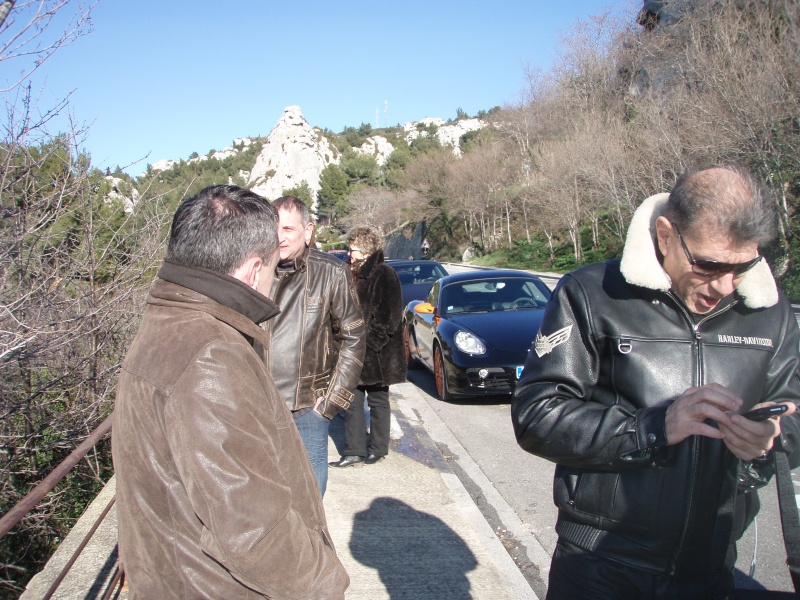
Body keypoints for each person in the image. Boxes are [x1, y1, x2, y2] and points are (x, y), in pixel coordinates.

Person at [511, 166, 800, 599]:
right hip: (599, 567)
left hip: (711, 564)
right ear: (666, 235)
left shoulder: (770, 311)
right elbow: (537, 415)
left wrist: (770, 438)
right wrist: (655, 428)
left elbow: (793, 415)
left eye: (742, 267)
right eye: (707, 265)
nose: (724, 286)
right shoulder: (590, 293)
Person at [112, 185, 348, 598]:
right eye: (274, 271)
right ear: (252, 270)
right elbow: (256, 531)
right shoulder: (210, 356)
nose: (274, 282)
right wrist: (324, 584)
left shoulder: (169, 319)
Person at [264, 196, 365, 495]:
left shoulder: (331, 272)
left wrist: (333, 399)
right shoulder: (255, 268)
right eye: (274, 228)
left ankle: (309, 543)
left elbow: (354, 336)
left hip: (308, 407)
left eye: (288, 229)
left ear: (307, 232)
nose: (279, 237)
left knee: (308, 497)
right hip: (258, 403)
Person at [330, 227, 407, 467]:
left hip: (377, 353)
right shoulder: (347, 272)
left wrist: (370, 345)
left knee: (378, 400)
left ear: (365, 250)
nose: (349, 254)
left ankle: (378, 448)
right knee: (350, 400)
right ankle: (353, 451)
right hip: (351, 348)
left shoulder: (384, 274)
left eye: (352, 249)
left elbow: (390, 318)